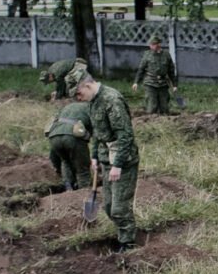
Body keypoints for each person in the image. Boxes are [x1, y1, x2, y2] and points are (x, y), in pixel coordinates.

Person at [67, 66, 140, 252]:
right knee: (108, 207)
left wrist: (118, 165)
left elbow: (125, 135)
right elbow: (98, 133)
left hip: (123, 161)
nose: (78, 98)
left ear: (88, 85)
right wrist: (94, 157)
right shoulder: (92, 102)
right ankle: (122, 233)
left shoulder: (112, 100)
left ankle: (128, 243)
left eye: (78, 93)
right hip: (106, 158)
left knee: (119, 208)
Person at [46, 100, 92, 190]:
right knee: (83, 169)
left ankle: (68, 188)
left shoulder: (67, 107)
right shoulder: (90, 107)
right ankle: (84, 191)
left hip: (54, 136)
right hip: (72, 136)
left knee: (65, 161)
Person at [132, 35, 177, 114]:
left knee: (165, 109)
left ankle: (163, 121)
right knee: (152, 107)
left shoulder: (166, 55)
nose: (152, 46)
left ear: (159, 44)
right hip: (150, 83)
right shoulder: (147, 55)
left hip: (163, 83)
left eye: (154, 44)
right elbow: (141, 70)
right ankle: (151, 121)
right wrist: (136, 82)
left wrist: (174, 85)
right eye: (151, 44)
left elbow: (171, 71)